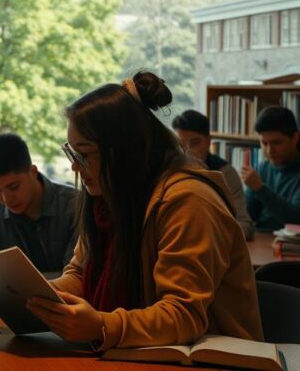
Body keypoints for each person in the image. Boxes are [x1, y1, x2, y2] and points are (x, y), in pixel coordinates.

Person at [20, 72, 261, 349]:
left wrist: (100, 325)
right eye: (72, 153)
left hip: (209, 360)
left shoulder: (188, 201)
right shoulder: (110, 196)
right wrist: (34, 295)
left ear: (123, 151)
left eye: (84, 154)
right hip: (139, 353)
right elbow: (80, 274)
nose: (75, 166)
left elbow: (183, 316)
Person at [0, 133, 78, 274]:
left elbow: (75, 275)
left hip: (68, 295)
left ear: (33, 171)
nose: (6, 199)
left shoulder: (75, 205)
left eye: (13, 187)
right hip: (9, 295)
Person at [242, 106, 300, 230]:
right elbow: (247, 215)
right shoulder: (263, 167)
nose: (270, 150)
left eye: (276, 143)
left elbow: (298, 219)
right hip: (262, 242)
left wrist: (260, 188)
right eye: (264, 143)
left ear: (295, 138)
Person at [172, 110, 256, 239]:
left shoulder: (225, 173)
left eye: (195, 143)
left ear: (208, 141)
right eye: (181, 145)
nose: (187, 151)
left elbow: (245, 225)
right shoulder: (168, 173)